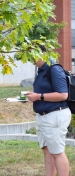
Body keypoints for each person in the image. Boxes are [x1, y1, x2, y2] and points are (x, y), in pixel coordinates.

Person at [26, 45, 71, 176]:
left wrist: (38, 96)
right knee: (47, 150)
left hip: (55, 115)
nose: (30, 59)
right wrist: (34, 96)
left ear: (42, 53)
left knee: (57, 152)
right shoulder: (40, 70)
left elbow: (63, 95)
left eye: (32, 54)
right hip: (43, 116)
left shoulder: (54, 69)